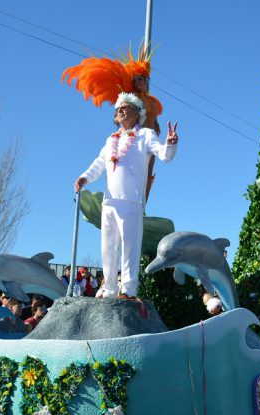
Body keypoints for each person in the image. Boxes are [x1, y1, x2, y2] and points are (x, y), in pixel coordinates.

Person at [74, 92, 179, 299]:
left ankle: (128, 290)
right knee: (108, 247)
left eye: (125, 106)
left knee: (130, 248)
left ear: (137, 112)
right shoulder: (111, 139)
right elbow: (98, 164)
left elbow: (164, 155)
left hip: (131, 201)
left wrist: (171, 144)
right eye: (118, 108)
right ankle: (110, 288)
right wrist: (84, 178)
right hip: (109, 202)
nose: (121, 110)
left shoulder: (146, 134)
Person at [62, 43, 164, 201]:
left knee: (147, 175)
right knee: (129, 175)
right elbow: (121, 116)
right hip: (134, 141)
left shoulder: (153, 102)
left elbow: (155, 121)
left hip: (148, 142)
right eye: (135, 79)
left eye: (141, 79)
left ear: (147, 81)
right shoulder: (131, 99)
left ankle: (142, 206)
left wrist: (157, 131)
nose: (138, 82)